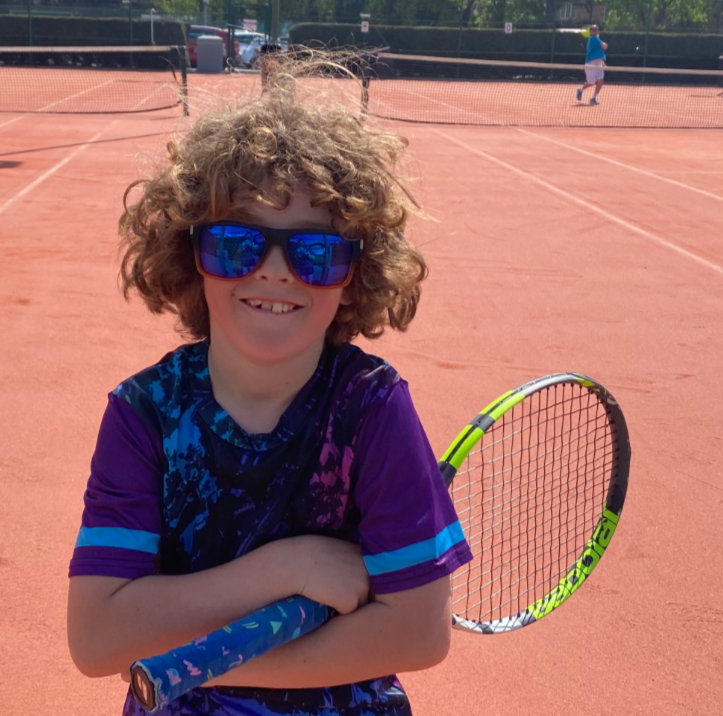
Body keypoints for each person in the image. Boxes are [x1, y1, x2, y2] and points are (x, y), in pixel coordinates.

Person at [66, 54, 473, 716]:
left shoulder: (371, 409)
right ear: (189, 257)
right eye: (235, 245)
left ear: (353, 277)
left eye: (315, 253)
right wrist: (288, 569)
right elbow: (96, 638)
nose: (276, 273)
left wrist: (198, 665)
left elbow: (418, 631)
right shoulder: (143, 414)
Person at [577, 25, 608, 105]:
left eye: (596, 29)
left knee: (600, 80)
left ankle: (593, 98)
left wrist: (602, 62)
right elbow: (604, 46)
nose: (595, 30)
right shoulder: (593, 38)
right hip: (591, 64)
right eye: (593, 29)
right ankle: (580, 89)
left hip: (598, 64)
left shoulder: (596, 39)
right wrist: (603, 43)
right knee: (591, 83)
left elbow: (599, 51)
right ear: (590, 31)